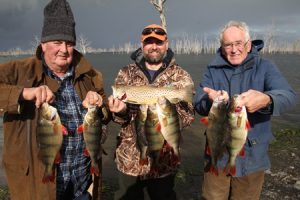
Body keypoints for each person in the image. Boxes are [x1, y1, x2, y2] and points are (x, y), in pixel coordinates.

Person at [0, 0, 110, 199]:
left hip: (81, 182)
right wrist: (24, 93)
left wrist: (100, 104)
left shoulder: (89, 75)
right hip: (40, 186)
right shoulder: (20, 71)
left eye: (69, 43)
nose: (64, 49)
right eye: (57, 42)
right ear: (43, 45)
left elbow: (105, 113)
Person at [193, 20, 297, 199]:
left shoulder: (265, 67)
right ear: (222, 46)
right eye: (228, 45)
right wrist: (210, 101)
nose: (234, 49)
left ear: (248, 45)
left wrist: (267, 99)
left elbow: (289, 96)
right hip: (218, 154)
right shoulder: (212, 70)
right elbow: (199, 104)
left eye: (238, 43)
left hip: (253, 157)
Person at [108, 24, 195, 200]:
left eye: (159, 42)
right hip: (130, 160)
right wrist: (121, 111)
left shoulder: (180, 75)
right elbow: (119, 119)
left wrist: (166, 112)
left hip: (165, 163)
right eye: (149, 42)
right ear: (142, 45)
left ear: (166, 44)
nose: (154, 46)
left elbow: (188, 117)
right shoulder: (126, 73)